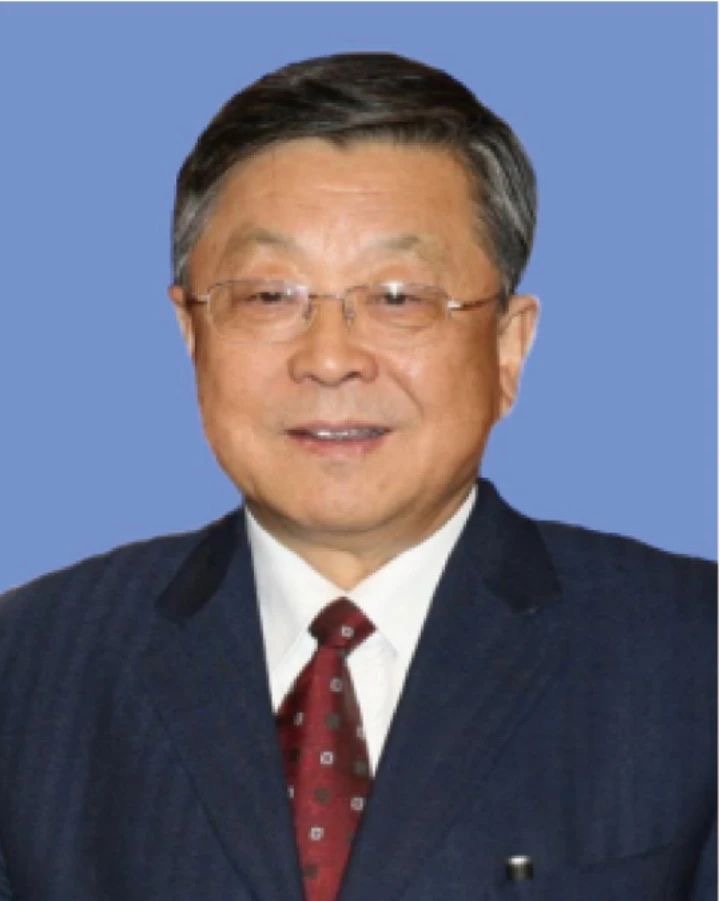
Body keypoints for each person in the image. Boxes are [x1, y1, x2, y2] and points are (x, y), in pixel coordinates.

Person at [0, 52, 715, 901]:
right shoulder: (29, 665)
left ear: (507, 347)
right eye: (269, 296)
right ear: (191, 332)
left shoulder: (690, 655)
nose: (330, 357)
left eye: (398, 297)